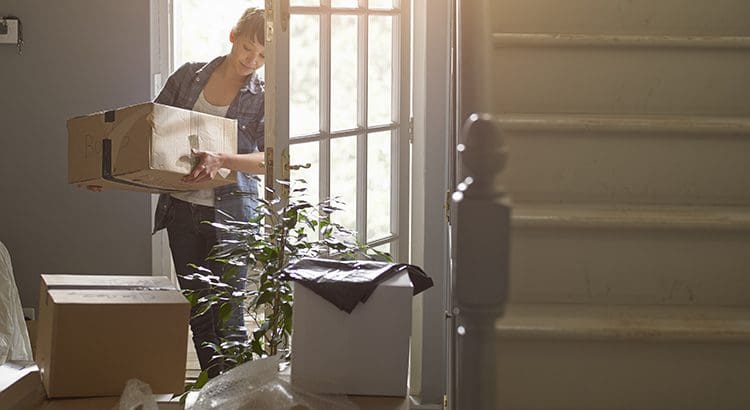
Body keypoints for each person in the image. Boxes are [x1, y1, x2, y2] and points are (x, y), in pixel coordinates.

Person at [151, 7, 266, 377]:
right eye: (249, 47)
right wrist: (107, 174)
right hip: (181, 211)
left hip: (233, 214)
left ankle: (237, 397)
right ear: (233, 36)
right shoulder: (188, 76)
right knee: (200, 314)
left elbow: (271, 159)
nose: (253, 60)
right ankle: (213, 393)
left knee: (229, 317)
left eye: (263, 56)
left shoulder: (263, 96)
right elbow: (149, 131)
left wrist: (222, 159)